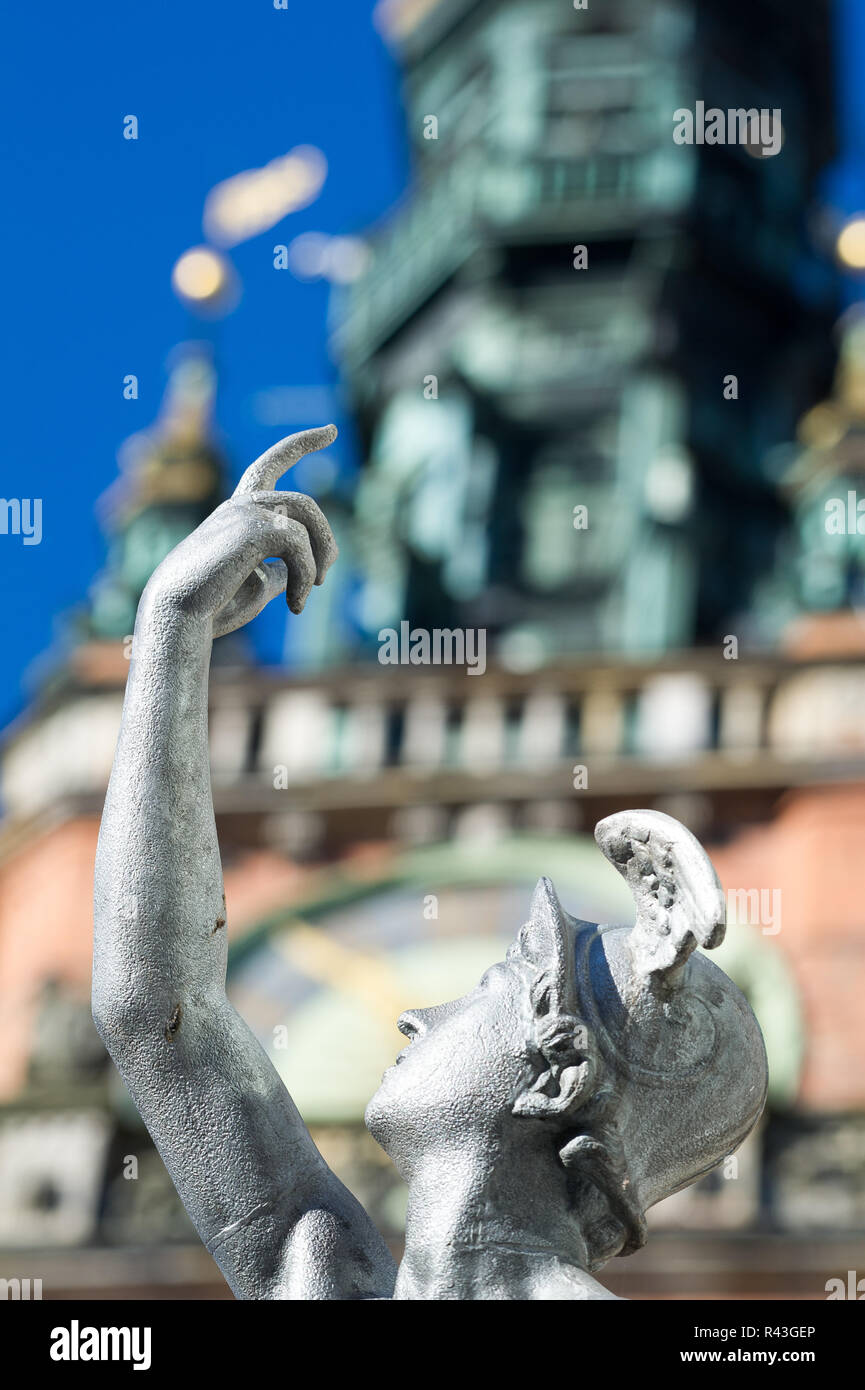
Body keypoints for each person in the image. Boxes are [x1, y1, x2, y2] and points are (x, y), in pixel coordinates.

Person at [92, 427, 768, 1301]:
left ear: (559, 1072)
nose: (414, 1014)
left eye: (489, 985)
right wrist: (172, 632)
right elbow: (158, 1010)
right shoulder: (338, 1281)